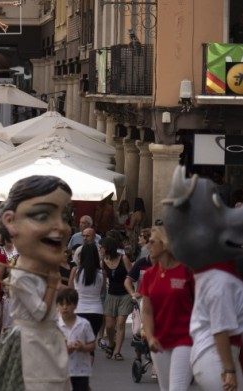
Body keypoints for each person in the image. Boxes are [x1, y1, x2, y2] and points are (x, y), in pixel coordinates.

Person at [0, 175, 72, 391]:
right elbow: (39, 313)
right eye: (43, 215)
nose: (60, 227)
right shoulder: (22, 276)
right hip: (32, 346)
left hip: (46, 342)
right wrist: (52, 284)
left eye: (65, 216)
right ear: (10, 221)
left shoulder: (32, 272)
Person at [163, 167, 243, 391]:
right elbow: (220, 328)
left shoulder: (212, 274)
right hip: (217, 358)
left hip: (215, 356)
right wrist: (228, 370)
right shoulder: (220, 280)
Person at [139, 224, 195, 391]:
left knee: (177, 388)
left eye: (152, 241)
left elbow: (200, 303)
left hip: (185, 338)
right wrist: (149, 337)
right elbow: (147, 311)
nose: (148, 245)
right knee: (165, 388)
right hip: (159, 340)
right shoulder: (149, 275)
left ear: (165, 243)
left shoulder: (186, 271)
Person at [56, 288, 95, 391]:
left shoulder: (83, 324)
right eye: (61, 304)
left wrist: (83, 347)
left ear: (75, 305)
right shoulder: (55, 326)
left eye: (68, 304)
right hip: (60, 371)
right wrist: (64, 349)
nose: (65, 307)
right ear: (57, 306)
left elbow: (92, 344)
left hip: (81, 371)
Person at [100, 236, 132, 361]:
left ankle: (117, 351)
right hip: (111, 294)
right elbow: (103, 279)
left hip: (125, 294)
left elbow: (131, 276)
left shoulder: (123, 258)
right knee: (109, 326)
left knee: (120, 323)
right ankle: (111, 343)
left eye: (101, 247)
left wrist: (133, 293)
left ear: (107, 248)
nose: (100, 249)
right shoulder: (103, 262)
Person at [68, 243, 105, 341]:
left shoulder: (75, 271)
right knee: (91, 344)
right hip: (97, 311)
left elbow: (70, 290)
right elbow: (102, 290)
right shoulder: (101, 273)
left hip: (78, 310)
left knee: (79, 343)